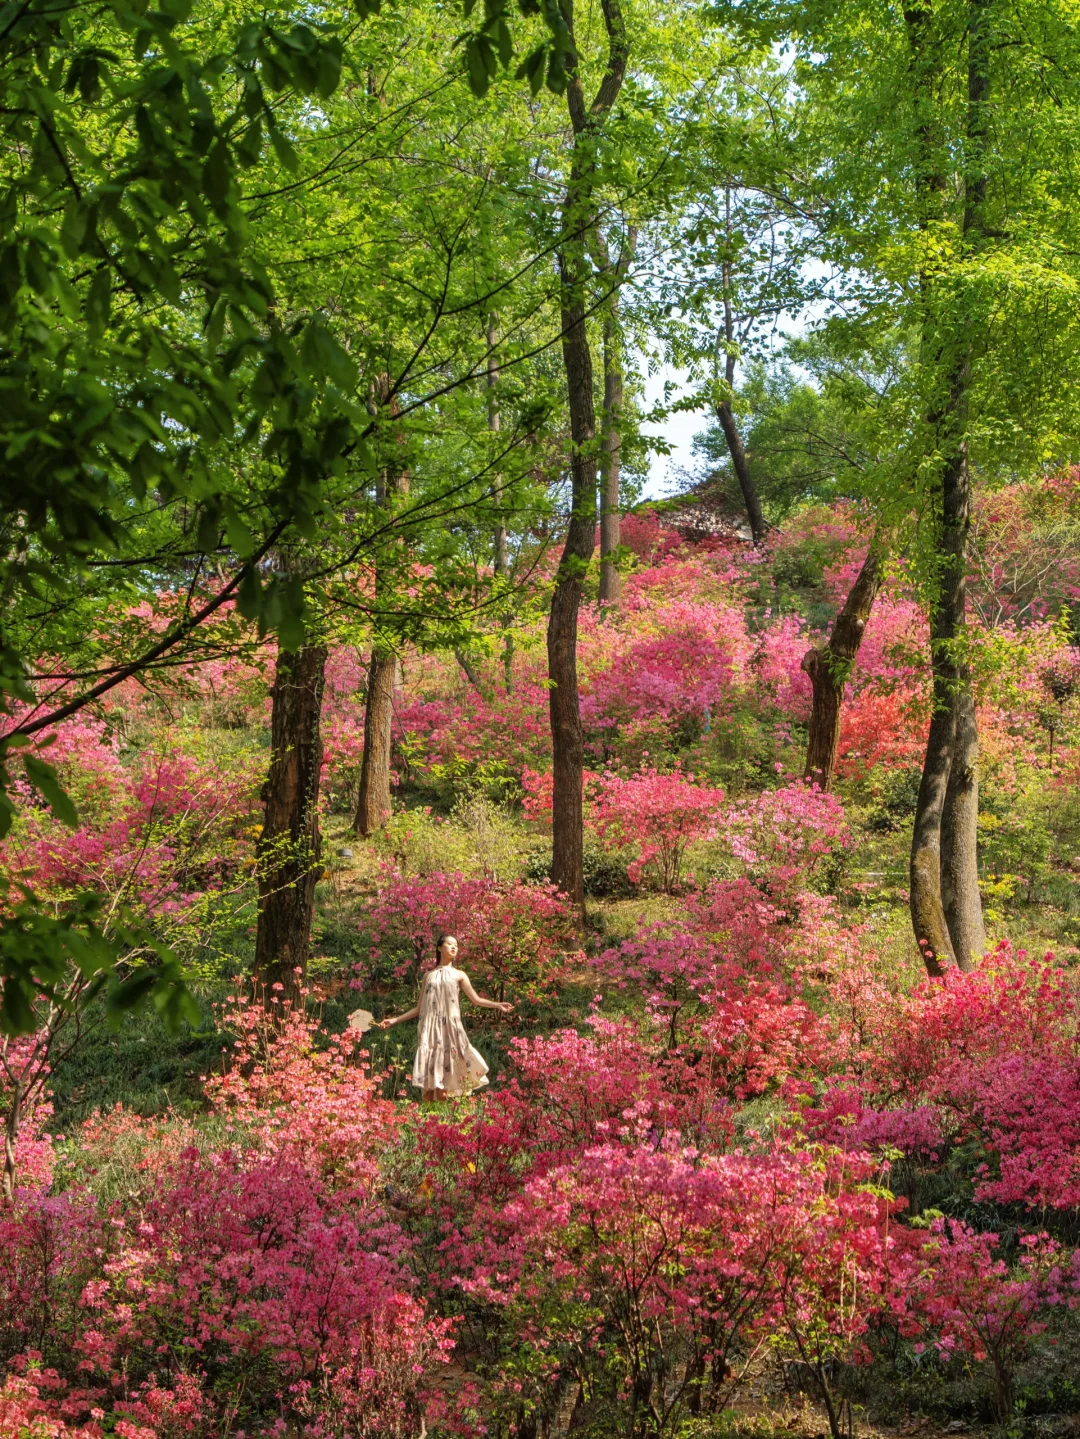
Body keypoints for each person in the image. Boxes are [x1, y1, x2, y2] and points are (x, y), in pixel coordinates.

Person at [376, 934, 512, 1101]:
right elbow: (419, 1008)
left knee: (445, 1080)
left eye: (456, 945)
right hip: (429, 1028)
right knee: (427, 1081)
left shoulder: (459, 975)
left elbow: (475, 1000)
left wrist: (497, 1004)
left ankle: (442, 1117)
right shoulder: (428, 976)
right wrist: (394, 1020)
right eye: (449, 944)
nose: (454, 947)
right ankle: (426, 1117)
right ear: (440, 948)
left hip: (450, 1028)